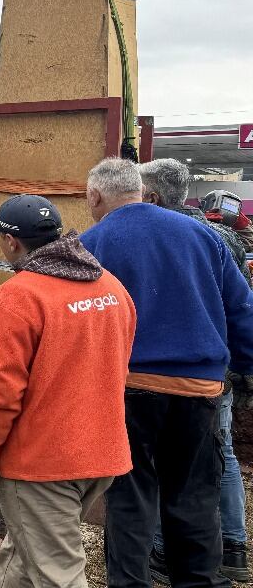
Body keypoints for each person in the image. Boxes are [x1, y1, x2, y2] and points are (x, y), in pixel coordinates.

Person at [80, 158, 253, 588]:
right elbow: (241, 310)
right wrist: (248, 370)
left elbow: (75, 323)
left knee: (130, 500)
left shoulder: (91, 242)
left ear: (96, 196)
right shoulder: (205, 237)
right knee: (193, 499)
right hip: (199, 390)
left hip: (129, 389)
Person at [0, 195, 136, 586]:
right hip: (101, 453)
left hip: (44, 462)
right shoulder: (109, 285)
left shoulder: (20, 295)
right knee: (24, 554)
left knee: (58, 573)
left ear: (10, 242)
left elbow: (0, 385)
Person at [139, 159, 250, 582]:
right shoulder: (222, 237)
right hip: (215, 369)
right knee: (221, 456)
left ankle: (166, 553)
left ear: (150, 196)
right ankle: (234, 549)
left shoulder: (164, 239)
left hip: (177, 370)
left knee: (166, 462)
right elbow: (241, 307)